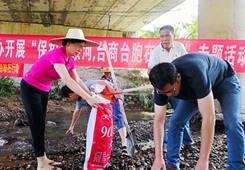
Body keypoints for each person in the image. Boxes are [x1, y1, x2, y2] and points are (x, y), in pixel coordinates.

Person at [20, 28, 101, 170]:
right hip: (30, 87)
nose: (80, 50)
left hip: (43, 90)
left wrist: (92, 96)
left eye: (82, 48)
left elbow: (78, 81)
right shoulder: (57, 55)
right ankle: (41, 163)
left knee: (41, 123)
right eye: (79, 47)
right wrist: (87, 98)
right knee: (37, 124)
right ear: (68, 43)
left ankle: (43, 157)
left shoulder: (70, 60)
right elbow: (67, 80)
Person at [149, 52, 245, 170]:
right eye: (165, 93)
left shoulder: (195, 72)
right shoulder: (161, 85)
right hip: (195, 90)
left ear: (178, 77)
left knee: (232, 122)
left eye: (171, 91)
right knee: (176, 121)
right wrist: (158, 157)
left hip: (225, 81)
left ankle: (236, 166)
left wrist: (203, 160)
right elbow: (158, 120)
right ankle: (171, 165)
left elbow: (209, 117)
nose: (169, 95)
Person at [147, 25, 193, 152]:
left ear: (174, 36)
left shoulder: (180, 47)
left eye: (167, 35)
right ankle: (164, 143)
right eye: (162, 36)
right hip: (161, 88)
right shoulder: (155, 52)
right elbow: (149, 71)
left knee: (181, 113)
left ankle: (187, 142)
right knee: (159, 116)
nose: (165, 39)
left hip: (177, 87)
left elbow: (188, 64)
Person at [60, 80, 129, 155]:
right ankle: (99, 135)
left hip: (113, 92)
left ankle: (124, 145)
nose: (69, 101)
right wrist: (72, 126)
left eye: (68, 99)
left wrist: (114, 92)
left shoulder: (85, 86)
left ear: (71, 95)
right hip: (101, 100)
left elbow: (104, 82)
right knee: (90, 109)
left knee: (117, 116)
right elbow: (76, 112)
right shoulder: (79, 100)